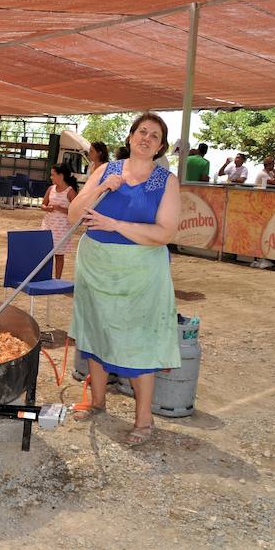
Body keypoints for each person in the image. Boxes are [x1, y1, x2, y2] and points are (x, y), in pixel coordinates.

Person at [67, 112, 181, 447]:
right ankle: (98, 401)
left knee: (140, 342)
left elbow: (164, 232)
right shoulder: (106, 170)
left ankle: (143, 420)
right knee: (96, 331)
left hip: (141, 273)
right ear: (130, 137)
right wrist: (101, 187)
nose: (146, 138)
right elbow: (75, 215)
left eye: (155, 136)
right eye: (141, 132)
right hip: (96, 265)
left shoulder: (166, 181)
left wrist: (115, 225)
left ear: (160, 147)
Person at [40, 164, 79, 279]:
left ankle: (57, 279)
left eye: (53, 175)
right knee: (45, 253)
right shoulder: (51, 189)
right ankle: (45, 277)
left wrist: (59, 208)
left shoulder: (70, 192)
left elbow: (76, 210)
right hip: (48, 225)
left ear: (61, 176)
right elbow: (43, 204)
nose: (51, 177)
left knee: (59, 255)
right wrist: (46, 208)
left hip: (61, 229)